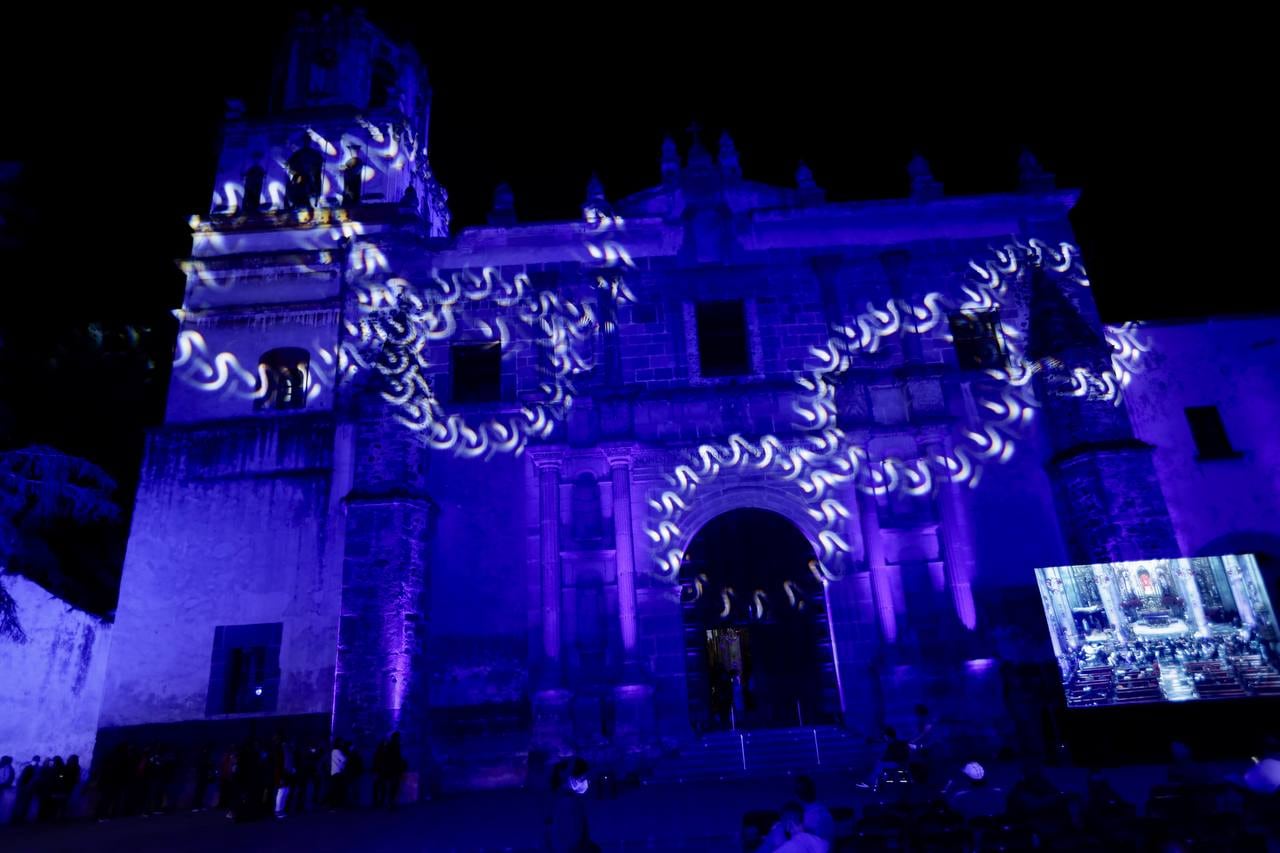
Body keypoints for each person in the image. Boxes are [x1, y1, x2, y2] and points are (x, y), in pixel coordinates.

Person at [547, 758, 598, 852]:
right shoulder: (568, 802)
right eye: (582, 779)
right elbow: (571, 832)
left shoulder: (568, 800)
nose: (586, 783)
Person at [764, 801, 828, 852]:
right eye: (786, 818)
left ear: (801, 822)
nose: (789, 823)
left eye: (794, 819)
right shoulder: (776, 834)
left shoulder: (806, 838)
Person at [793, 775, 834, 846]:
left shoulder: (821, 811)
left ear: (810, 790)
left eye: (802, 789)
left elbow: (827, 836)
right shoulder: (798, 809)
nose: (800, 793)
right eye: (798, 790)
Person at [0, 756, 15, 824]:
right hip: (3, 787)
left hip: (3, 787)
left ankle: (3, 819)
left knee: (3, 804)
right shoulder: (7, 768)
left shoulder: (8, 768)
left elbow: (6, 779)